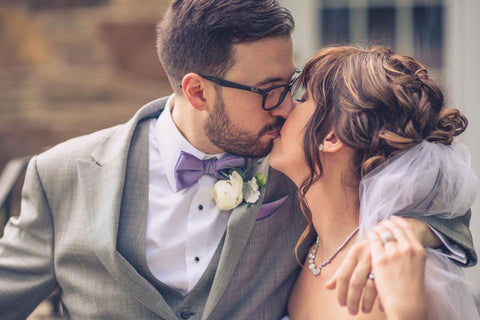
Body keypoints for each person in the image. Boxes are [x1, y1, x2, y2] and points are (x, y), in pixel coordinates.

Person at [0, 1, 475, 319]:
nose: (285, 106)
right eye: (268, 91)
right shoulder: (60, 175)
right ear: (197, 91)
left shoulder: (303, 173)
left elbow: (436, 203)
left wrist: (406, 231)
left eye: (288, 86)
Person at [270, 45, 479, 319]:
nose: (286, 109)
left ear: (332, 136)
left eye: (304, 98)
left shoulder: (397, 276)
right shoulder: (308, 245)